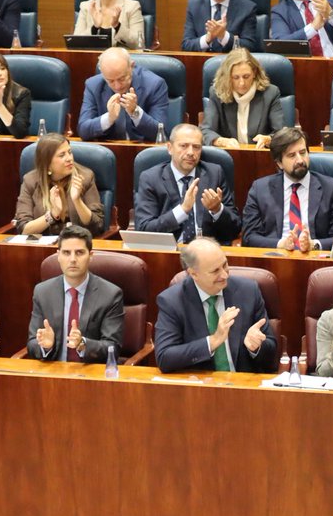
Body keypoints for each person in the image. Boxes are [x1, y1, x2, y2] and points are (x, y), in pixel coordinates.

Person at [153, 237, 278, 374]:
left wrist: (256, 347)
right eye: (215, 271)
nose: (224, 275)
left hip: (243, 384)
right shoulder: (172, 301)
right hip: (200, 387)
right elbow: (164, 358)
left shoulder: (248, 291)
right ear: (193, 273)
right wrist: (213, 341)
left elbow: (271, 351)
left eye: (225, 265)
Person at [242, 127, 333, 252]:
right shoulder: (260, 189)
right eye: (291, 155)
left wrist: (313, 244)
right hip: (275, 259)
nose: (300, 160)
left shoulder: (332, 188)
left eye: (303, 152)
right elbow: (249, 237)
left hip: (315, 260)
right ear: (279, 163)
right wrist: (281, 244)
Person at [25, 225, 124, 362]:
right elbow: (31, 343)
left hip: (90, 375)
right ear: (58, 255)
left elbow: (112, 347)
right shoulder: (43, 292)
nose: (72, 259)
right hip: (54, 372)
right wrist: (46, 346)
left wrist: (83, 344)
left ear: (90, 256)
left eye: (79, 253)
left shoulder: (110, 295)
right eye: (66, 253)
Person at [134, 124, 240, 244]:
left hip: (206, 252)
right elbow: (144, 229)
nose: (190, 152)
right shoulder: (150, 178)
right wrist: (182, 210)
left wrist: (218, 210)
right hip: (168, 253)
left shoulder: (215, 173)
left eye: (196, 147)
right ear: (170, 148)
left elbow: (235, 228)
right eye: (183, 146)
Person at [14, 134, 104, 236]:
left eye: (70, 152)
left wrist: (77, 201)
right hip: (44, 246)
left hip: (76, 244)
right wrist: (52, 215)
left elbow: (97, 226)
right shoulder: (30, 181)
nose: (69, 158)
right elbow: (23, 229)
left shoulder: (85, 177)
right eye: (62, 155)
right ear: (47, 162)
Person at [76, 47, 169, 142]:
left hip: (143, 150)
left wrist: (135, 112)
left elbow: (160, 133)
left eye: (122, 79)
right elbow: (83, 131)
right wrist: (109, 118)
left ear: (131, 66)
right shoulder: (93, 85)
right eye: (110, 81)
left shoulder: (154, 85)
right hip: (107, 151)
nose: (117, 86)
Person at [200, 47, 286, 149]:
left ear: (254, 72)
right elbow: (205, 131)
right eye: (236, 77)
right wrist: (220, 141)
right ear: (228, 76)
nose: (241, 83)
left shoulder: (270, 93)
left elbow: (281, 133)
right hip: (228, 156)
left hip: (260, 156)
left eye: (246, 76)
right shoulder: (217, 93)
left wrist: (268, 139)